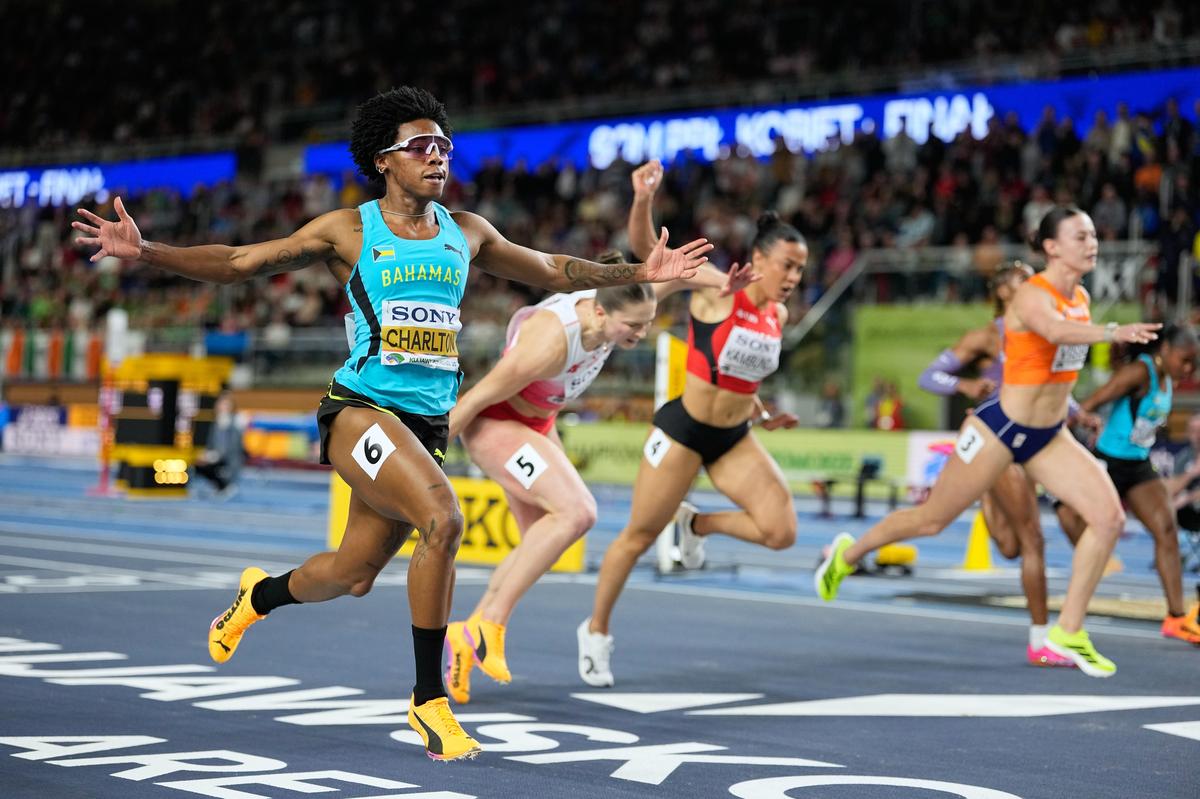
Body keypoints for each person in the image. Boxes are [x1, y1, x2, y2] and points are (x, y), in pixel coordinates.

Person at [73, 87, 712, 760]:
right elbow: (239, 264)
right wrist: (147, 252)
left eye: (444, 146)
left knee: (352, 573)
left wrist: (636, 271)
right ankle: (427, 700)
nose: (437, 157)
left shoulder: (466, 231)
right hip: (358, 409)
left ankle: (255, 595)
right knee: (445, 516)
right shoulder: (348, 231)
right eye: (421, 147)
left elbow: (552, 269)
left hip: (423, 424)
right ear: (384, 160)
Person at [816, 206, 1161, 678]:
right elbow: (1054, 331)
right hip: (997, 429)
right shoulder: (1032, 296)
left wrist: (1078, 410)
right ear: (1051, 247)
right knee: (932, 520)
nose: (1093, 242)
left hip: (1047, 436)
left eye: (1094, 234)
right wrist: (1112, 331)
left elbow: (1059, 369)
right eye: (1080, 235)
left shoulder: (1079, 297)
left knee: (1108, 518)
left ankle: (1067, 631)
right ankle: (847, 555)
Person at [443, 231, 755, 704]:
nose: (641, 334)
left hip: (537, 423)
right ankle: (489, 624)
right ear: (600, 311)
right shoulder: (548, 342)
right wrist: (420, 462)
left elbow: (683, 279)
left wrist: (724, 286)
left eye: (647, 325)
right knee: (577, 513)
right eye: (633, 328)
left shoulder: (625, 301)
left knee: (537, 546)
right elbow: (475, 400)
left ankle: (465, 637)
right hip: (494, 424)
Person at [577, 160, 807, 688]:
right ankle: (596, 632)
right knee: (636, 537)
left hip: (732, 438)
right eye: (786, 266)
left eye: (800, 270)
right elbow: (648, 256)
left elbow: (743, 376)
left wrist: (765, 413)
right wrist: (642, 199)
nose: (793, 279)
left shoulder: (779, 315)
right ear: (758, 259)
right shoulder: (716, 289)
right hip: (683, 431)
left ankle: (696, 524)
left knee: (782, 531)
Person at [916, 260, 1074, 666]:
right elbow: (928, 377)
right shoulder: (988, 335)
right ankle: (1043, 639)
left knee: (1008, 547)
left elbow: (1048, 385)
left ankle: (985, 490)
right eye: (1022, 278)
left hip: (1036, 437)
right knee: (1032, 538)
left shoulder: (1042, 331)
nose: (1033, 283)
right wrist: (965, 383)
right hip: (999, 437)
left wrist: (1078, 409)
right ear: (1004, 291)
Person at [1054, 324, 1200, 643]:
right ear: (1165, 350)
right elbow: (1090, 402)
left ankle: (1176, 618)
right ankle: (1075, 605)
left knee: (1166, 530)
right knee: (1069, 515)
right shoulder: (1139, 373)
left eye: (1193, 362)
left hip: (1137, 464)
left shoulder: (1167, 378)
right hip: (1108, 460)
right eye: (1184, 359)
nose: (1188, 368)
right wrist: (1066, 432)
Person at [194, 390, 245, 500]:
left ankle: (227, 485)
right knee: (198, 464)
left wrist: (216, 456)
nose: (221, 407)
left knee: (212, 463)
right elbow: (210, 444)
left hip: (230, 460)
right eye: (220, 403)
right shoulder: (215, 422)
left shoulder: (236, 422)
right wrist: (206, 454)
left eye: (225, 404)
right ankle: (221, 486)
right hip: (216, 457)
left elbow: (234, 447)